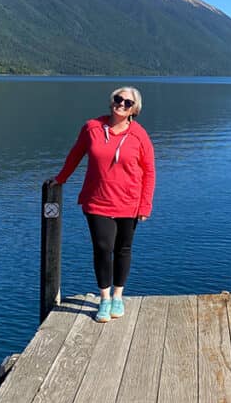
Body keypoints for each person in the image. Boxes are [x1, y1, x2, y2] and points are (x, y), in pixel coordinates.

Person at [52, 86, 155, 322]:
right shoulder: (92, 128)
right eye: (118, 99)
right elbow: (75, 155)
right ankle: (104, 298)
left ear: (134, 109)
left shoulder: (140, 135)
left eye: (127, 102)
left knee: (123, 249)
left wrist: (145, 205)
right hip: (97, 200)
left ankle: (118, 296)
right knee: (103, 247)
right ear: (111, 102)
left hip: (129, 201)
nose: (121, 104)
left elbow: (149, 172)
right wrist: (60, 179)